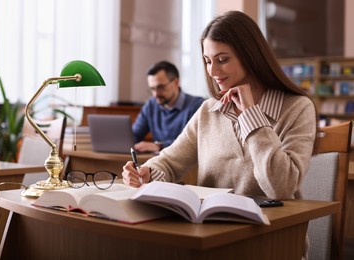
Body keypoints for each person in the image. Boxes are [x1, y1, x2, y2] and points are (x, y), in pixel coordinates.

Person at [123, 11, 317, 201]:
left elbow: (282, 188)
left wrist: (251, 116)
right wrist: (147, 172)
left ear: (250, 56)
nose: (213, 71)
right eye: (208, 61)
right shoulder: (209, 110)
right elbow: (170, 161)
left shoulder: (297, 108)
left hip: (273, 228)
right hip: (213, 227)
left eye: (222, 60)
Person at [132, 60, 204, 153]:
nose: (156, 94)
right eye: (152, 89)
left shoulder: (197, 106)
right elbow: (134, 135)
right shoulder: (151, 105)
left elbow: (194, 142)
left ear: (176, 83)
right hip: (158, 163)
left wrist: (160, 146)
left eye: (160, 87)